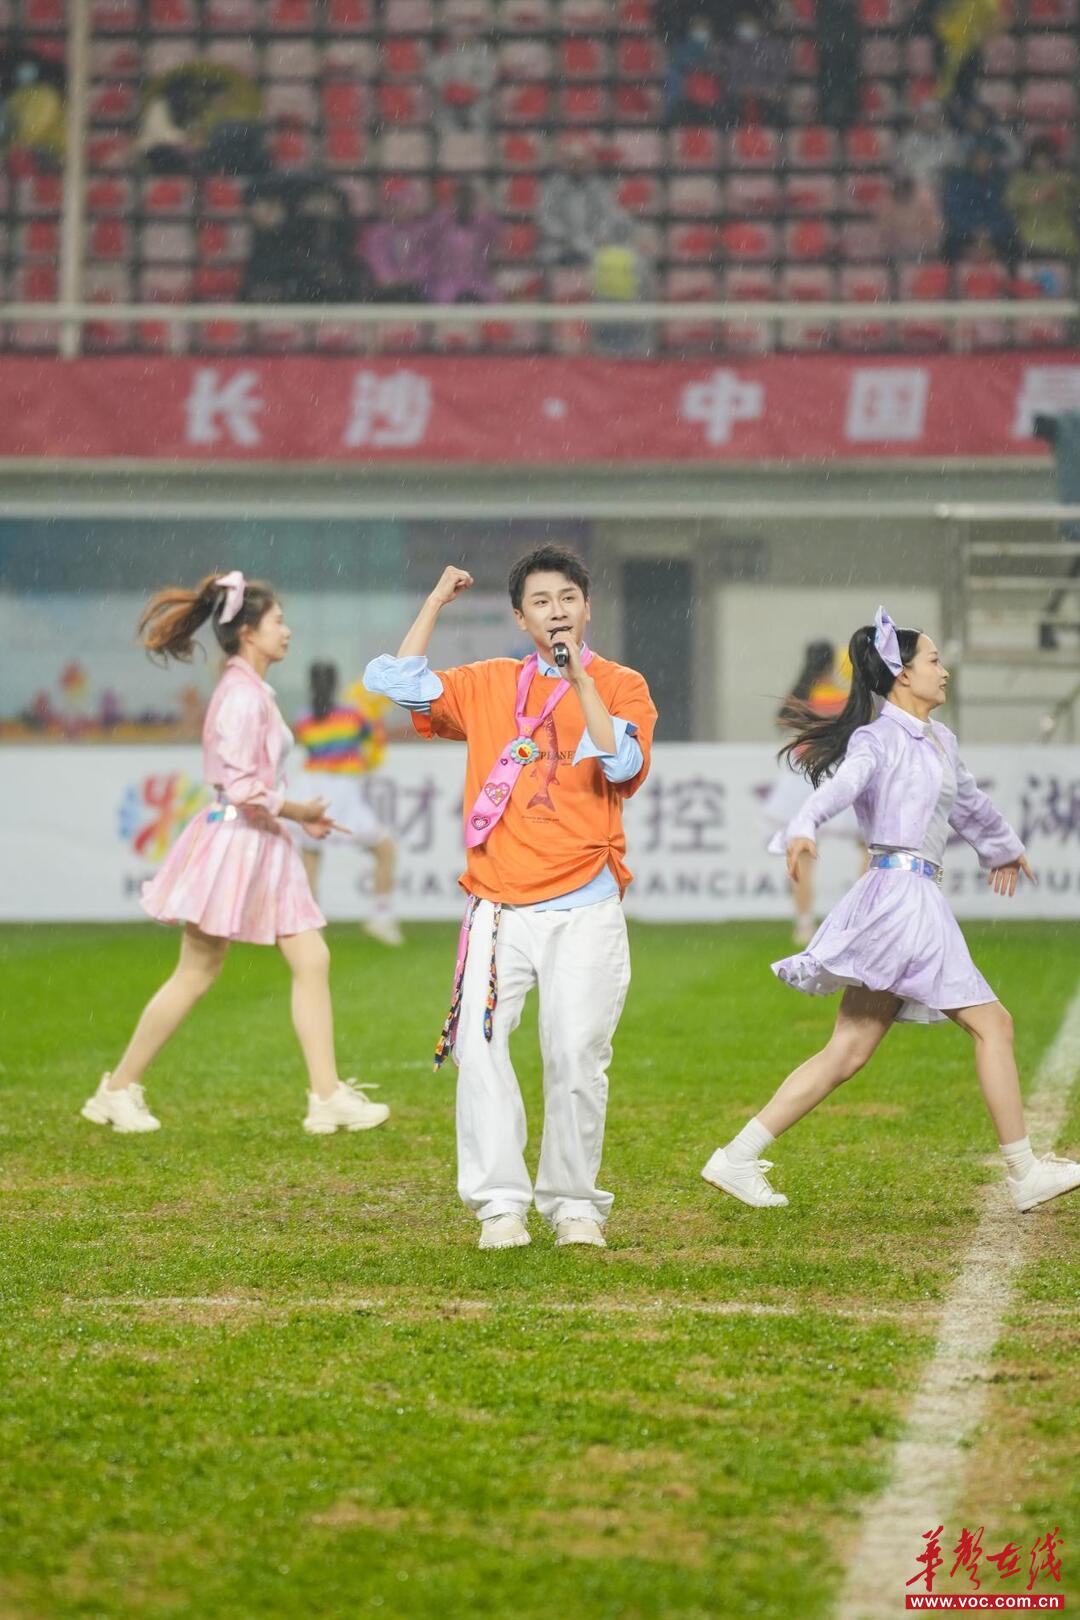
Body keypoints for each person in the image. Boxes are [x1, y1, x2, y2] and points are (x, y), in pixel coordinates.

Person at [702, 607, 1080, 1216]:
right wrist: (803, 825)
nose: (944, 670)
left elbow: (971, 805)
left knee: (848, 1050)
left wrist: (1004, 848)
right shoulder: (876, 739)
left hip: (904, 900)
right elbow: (840, 787)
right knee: (995, 1026)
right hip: (902, 900)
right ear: (903, 674)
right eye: (934, 659)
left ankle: (736, 1156)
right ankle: (1024, 1171)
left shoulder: (941, 739)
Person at [364, 546, 657, 1251]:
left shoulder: (622, 684)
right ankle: (500, 1204)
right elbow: (396, 682)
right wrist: (435, 602)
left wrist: (578, 678)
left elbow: (622, 762)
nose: (556, 612)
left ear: (586, 608)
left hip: (585, 902)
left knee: (577, 1055)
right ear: (521, 619)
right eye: (541, 603)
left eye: (567, 599)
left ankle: (574, 1204)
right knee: (480, 1047)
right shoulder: (490, 682)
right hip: (498, 905)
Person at [81, 571, 389, 1138]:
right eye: (278, 622)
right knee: (198, 972)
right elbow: (243, 786)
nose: (287, 631)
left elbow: (251, 786)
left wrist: (295, 815)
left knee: (307, 959)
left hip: (257, 839)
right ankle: (118, 1088)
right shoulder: (242, 696)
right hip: (239, 840)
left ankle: (325, 1096)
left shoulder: (249, 691)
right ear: (249, 632)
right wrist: (297, 809)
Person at [293, 661, 403, 948]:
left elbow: (308, 742)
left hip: (313, 790)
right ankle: (381, 916)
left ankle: (310, 926)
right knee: (385, 848)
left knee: (310, 860)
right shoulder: (353, 716)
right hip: (343, 790)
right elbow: (372, 740)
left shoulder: (304, 719)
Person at [763, 641, 861, 947]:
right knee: (870, 848)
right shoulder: (843, 699)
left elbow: (784, 724)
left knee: (802, 856)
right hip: (835, 775)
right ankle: (861, 919)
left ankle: (804, 924)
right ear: (831, 663)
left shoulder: (800, 697)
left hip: (800, 778)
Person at [538, 143, 628, 269]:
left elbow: (608, 215)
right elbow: (545, 217)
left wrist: (597, 235)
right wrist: (566, 237)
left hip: (593, 247)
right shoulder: (553, 187)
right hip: (559, 248)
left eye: (581, 162)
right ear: (566, 163)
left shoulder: (599, 187)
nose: (577, 166)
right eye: (573, 161)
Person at [942, 144, 1020, 266]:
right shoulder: (957, 181)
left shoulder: (1001, 181)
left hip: (995, 233)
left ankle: (1010, 274)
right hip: (964, 232)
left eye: (986, 158)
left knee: (1013, 244)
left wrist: (990, 230)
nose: (982, 161)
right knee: (949, 244)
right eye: (979, 158)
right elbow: (953, 210)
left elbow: (1006, 210)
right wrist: (973, 229)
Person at [423, 181, 499, 304]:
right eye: (460, 201)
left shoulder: (483, 226)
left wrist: (482, 207)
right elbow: (427, 235)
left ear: (473, 203)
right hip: (447, 282)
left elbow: (497, 231)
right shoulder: (443, 225)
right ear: (454, 202)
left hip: (477, 281)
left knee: (494, 299)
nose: (464, 205)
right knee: (442, 300)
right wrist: (447, 211)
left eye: (468, 201)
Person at [1007, 138, 1080, 262]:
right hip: (1030, 226)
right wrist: (1033, 197)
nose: (1042, 162)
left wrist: (1070, 182)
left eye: (1046, 158)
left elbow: (1074, 197)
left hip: (1060, 226)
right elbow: (1010, 202)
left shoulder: (1062, 178)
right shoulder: (1021, 179)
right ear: (1031, 160)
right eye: (1038, 159)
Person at [360, 185, 432, 302]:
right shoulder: (376, 233)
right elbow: (376, 259)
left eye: (403, 205)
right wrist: (391, 279)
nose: (398, 209)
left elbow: (424, 260)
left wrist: (410, 278)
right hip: (385, 290)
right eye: (394, 205)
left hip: (415, 289)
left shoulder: (421, 232)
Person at [876, 174, 944, 265]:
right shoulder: (886, 203)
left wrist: (926, 249)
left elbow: (933, 232)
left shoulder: (925, 200)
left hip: (923, 254)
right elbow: (883, 234)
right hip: (894, 255)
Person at [896, 101, 959, 193]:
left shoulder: (948, 137)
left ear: (940, 118)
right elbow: (906, 163)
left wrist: (924, 165)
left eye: (932, 117)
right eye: (926, 117)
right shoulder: (910, 138)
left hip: (943, 186)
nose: (929, 121)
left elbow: (948, 159)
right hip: (916, 187)